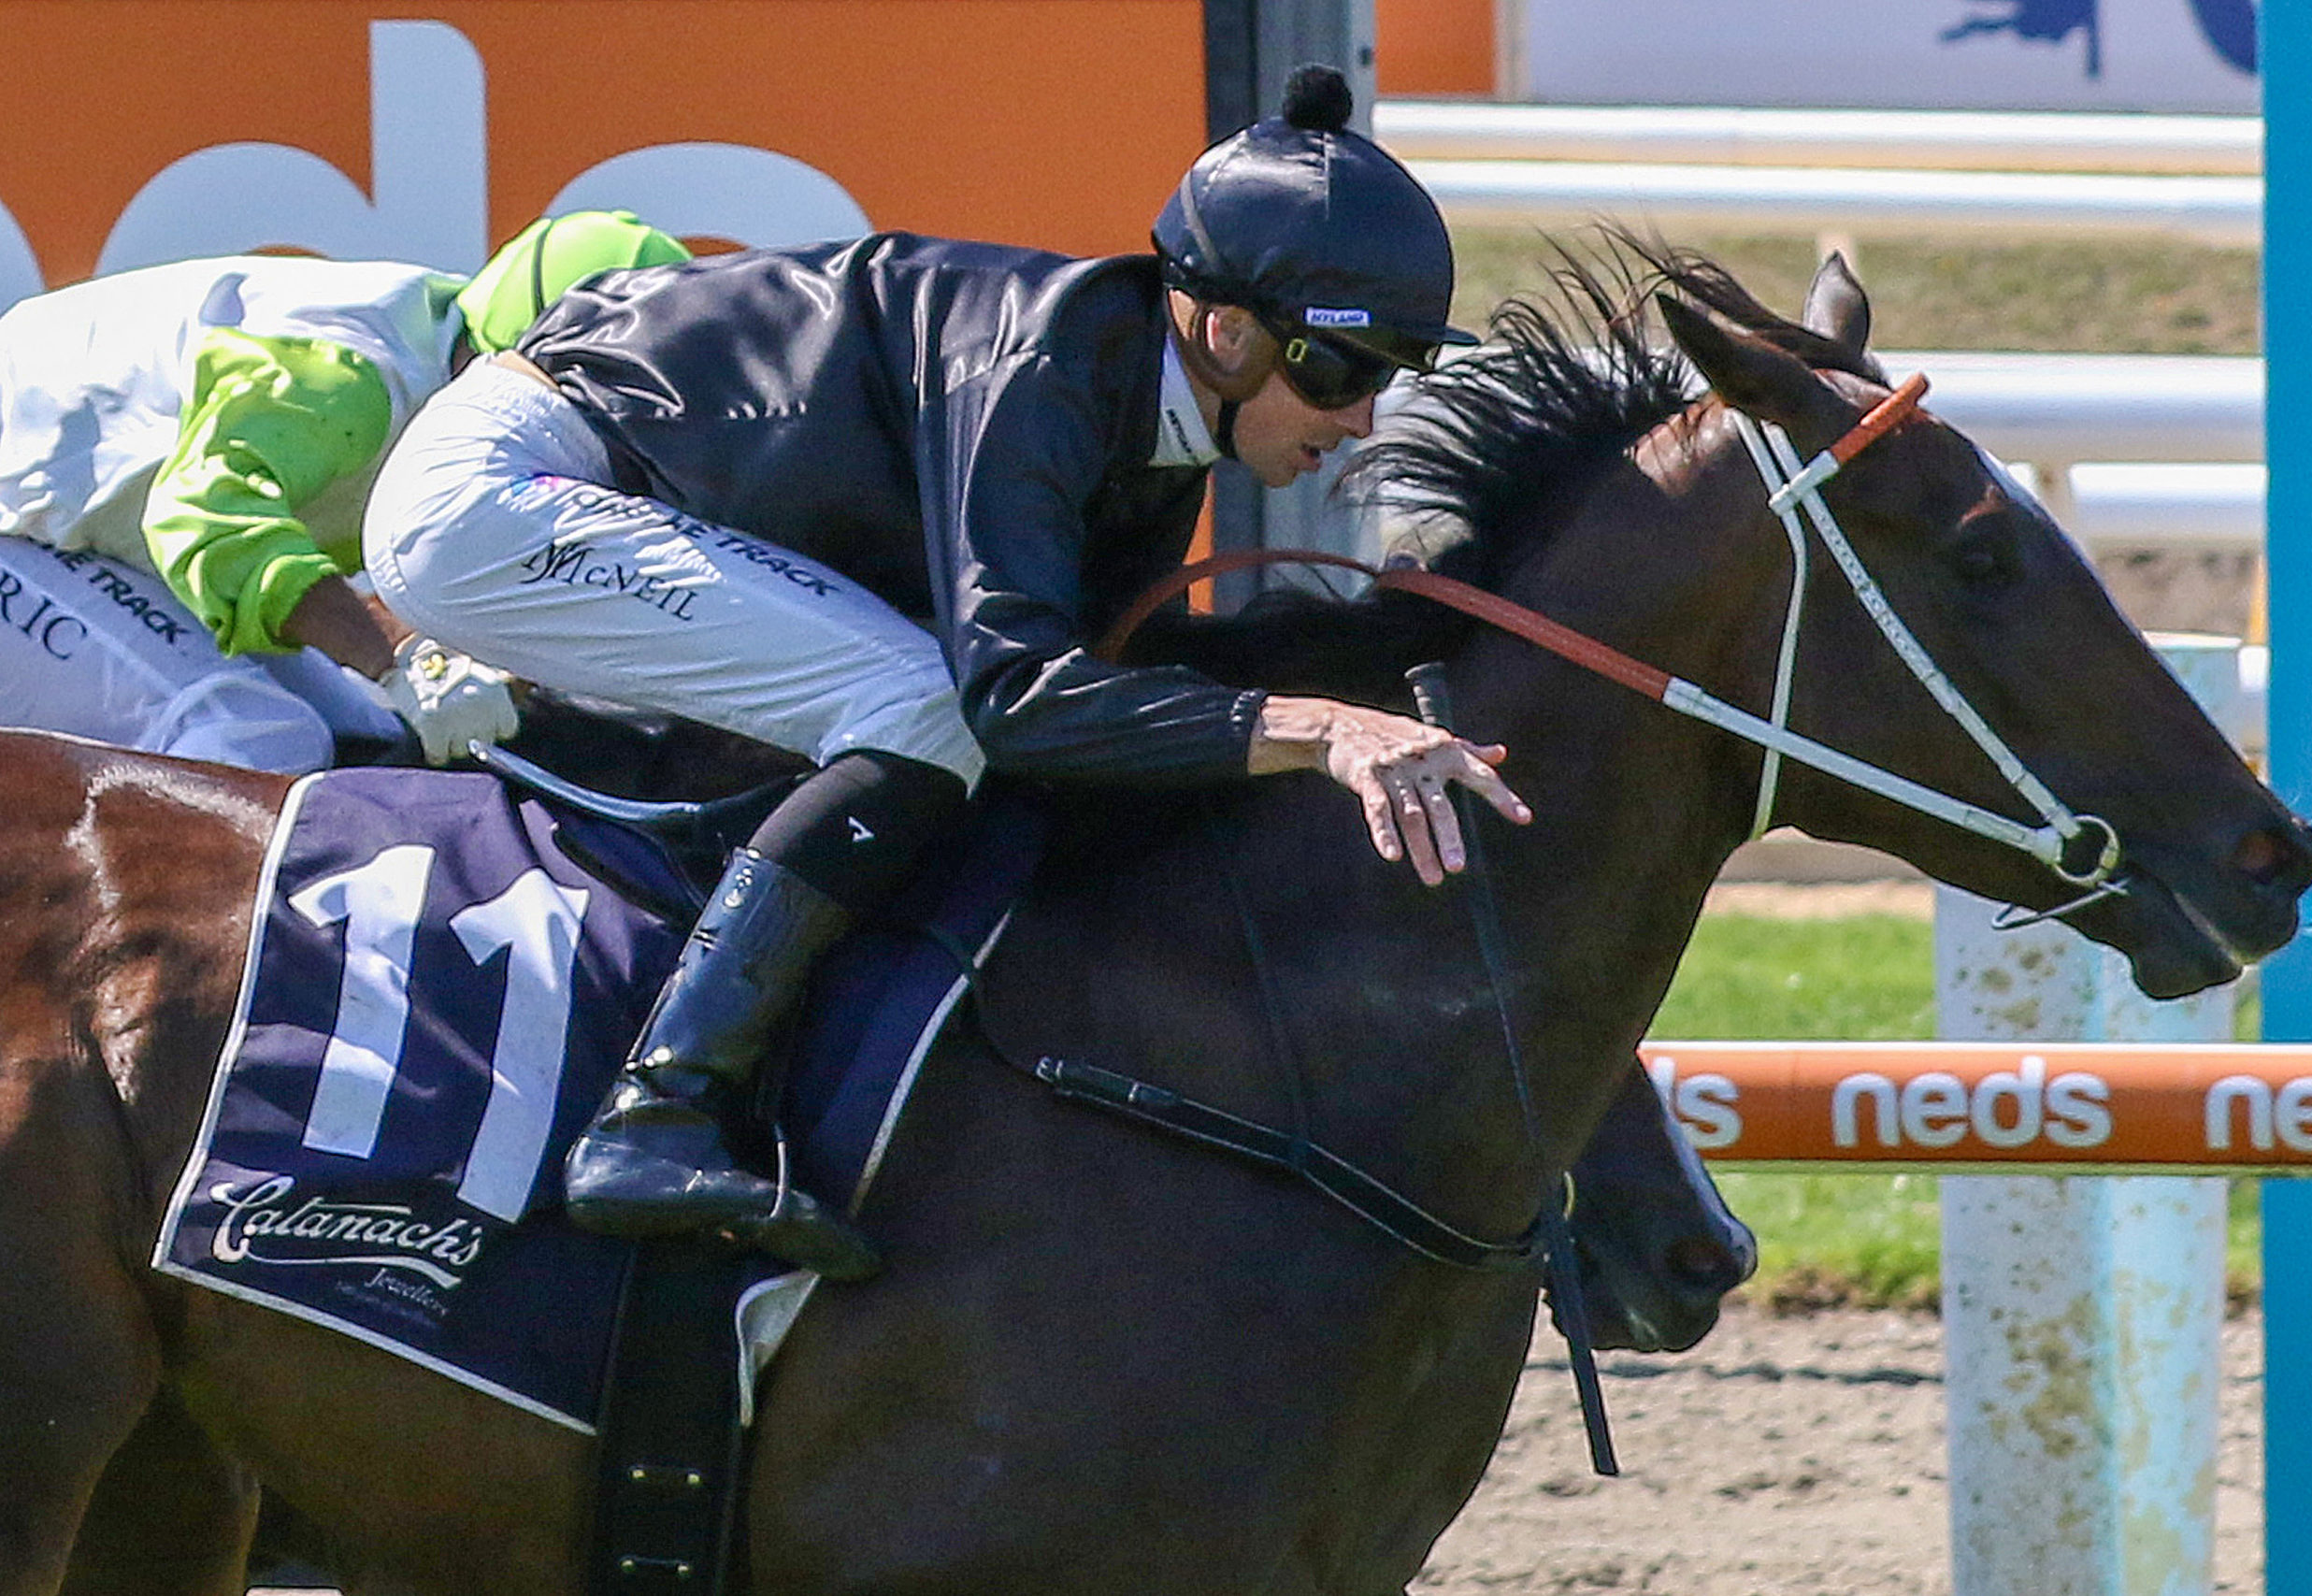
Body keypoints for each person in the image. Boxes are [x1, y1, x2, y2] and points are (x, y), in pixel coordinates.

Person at [360, 66, 1532, 1278]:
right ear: (1225, 331)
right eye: (1341, 370)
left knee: (933, 716)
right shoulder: (1043, 370)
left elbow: (1098, 710)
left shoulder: (1144, 422)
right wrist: (1321, 727)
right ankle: (657, 1109)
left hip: (588, 493)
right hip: (504, 494)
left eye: (1393, 375)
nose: (1360, 418)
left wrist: (1337, 691)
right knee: (922, 703)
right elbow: (1015, 700)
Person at [0, 210, 692, 771]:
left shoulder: (442, 360)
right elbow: (205, 521)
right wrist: (401, 657)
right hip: (30, 534)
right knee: (255, 738)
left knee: (366, 736)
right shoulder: (348, 378)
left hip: (83, 541)